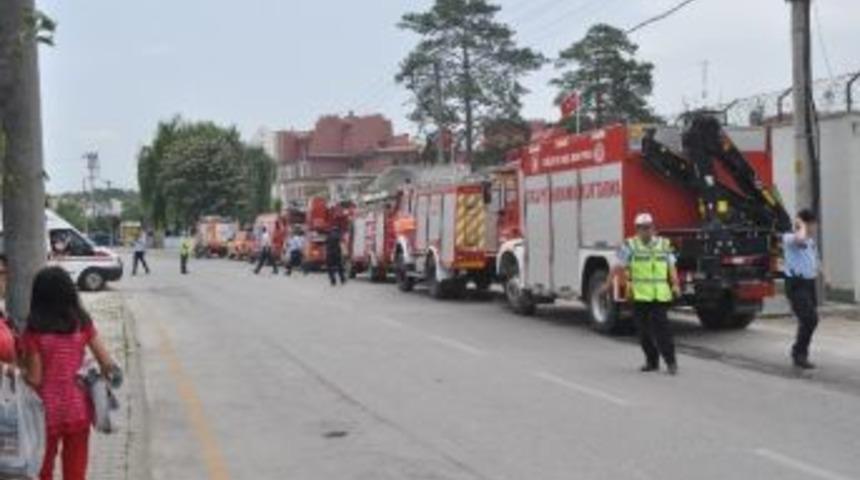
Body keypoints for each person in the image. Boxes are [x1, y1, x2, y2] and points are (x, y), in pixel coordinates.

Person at [21, 266, 121, 480]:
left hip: (44, 413)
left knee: (42, 469)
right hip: (78, 409)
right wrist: (92, 373)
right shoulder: (82, 323)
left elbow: (35, 378)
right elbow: (107, 364)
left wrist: (18, 373)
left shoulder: (34, 330)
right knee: (75, 471)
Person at [610, 212, 681, 375]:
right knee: (643, 332)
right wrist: (624, 285)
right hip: (639, 295)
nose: (645, 231)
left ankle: (671, 362)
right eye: (641, 228)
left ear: (653, 228)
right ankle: (651, 361)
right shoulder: (629, 245)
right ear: (637, 229)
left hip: (659, 295)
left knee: (663, 330)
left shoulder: (664, 244)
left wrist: (676, 285)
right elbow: (619, 266)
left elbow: (671, 267)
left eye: (648, 228)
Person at [784, 209, 821, 370]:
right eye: (813, 225)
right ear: (806, 224)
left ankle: (799, 352)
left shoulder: (811, 241)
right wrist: (800, 224)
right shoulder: (790, 238)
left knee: (808, 320)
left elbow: (814, 259)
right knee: (810, 319)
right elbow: (799, 239)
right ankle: (799, 354)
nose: (815, 228)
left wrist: (825, 273)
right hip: (796, 284)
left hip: (809, 284)